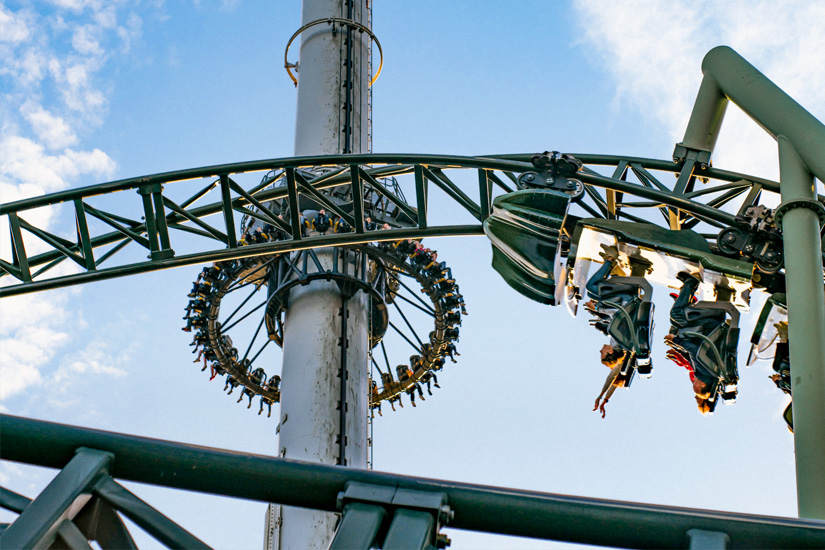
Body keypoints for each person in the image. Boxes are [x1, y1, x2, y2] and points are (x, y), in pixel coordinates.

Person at [664, 272, 721, 406]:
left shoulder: (708, 372)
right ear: (702, 384)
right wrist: (676, 341)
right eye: (695, 386)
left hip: (707, 330)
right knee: (676, 315)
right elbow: (694, 350)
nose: (693, 384)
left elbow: (690, 355)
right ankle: (691, 283)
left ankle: (687, 291)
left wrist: (676, 347)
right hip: (707, 327)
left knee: (677, 324)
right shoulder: (703, 371)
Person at [592, 344, 626, 418]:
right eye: (602, 353)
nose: (600, 350)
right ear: (610, 351)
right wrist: (601, 397)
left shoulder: (614, 343)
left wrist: (603, 400)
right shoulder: (624, 356)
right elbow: (612, 377)